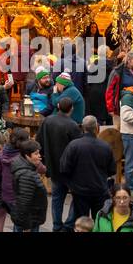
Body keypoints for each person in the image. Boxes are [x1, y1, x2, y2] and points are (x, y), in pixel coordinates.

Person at [58, 115, 115, 225]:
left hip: (80, 191)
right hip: (99, 190)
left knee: (81, 222)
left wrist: (71, 184)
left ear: (83, 128)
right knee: (99, 221)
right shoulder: (105, 146)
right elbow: (112, 170)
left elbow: (64, 168)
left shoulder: (73, 145)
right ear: (97, 128)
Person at [39, 95, 81, 230]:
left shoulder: (47, 121)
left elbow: (39, 141)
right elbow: (77, 149)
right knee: (78, 198)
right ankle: (68, 225)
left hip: (53, 167)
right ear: (71, 109)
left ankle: (57, 225)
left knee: (57, 198)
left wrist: (43, 161)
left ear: (58, 107)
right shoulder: (72, 125)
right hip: (70, 170)